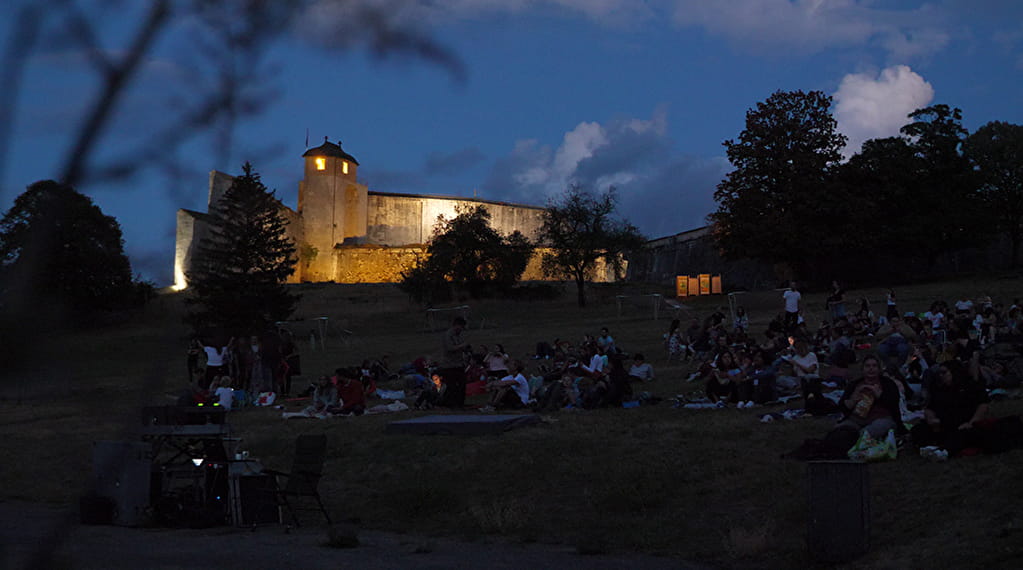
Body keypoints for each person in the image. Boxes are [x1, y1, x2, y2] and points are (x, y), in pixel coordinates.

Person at [910, 360, 989, 456]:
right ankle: (931, 447)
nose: (941, 376)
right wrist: (931, 419)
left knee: (966, 434)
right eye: (940, 373)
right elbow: (929, 408)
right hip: (941, 425)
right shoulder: (939, 390)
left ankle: (943, 451)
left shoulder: (969, 386)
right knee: (918, 430)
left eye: (944, 373)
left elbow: (983, 405)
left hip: (963, 425)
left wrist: (972, 422)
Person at [438, 316, 469, 408]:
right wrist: (462, 345)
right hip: (449, 365)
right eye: (461, 327)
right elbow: (450, 348)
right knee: (452, 386)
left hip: (459, 364)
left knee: (462, 385)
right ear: (456, 325)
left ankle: (460, 403)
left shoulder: (458, 336)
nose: (461, 330)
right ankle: (452, 404)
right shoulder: (448, 335)